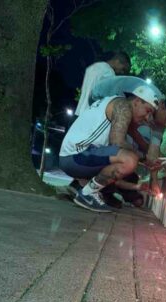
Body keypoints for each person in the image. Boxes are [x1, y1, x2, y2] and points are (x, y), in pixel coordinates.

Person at [58, 85, 159, 213]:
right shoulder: (123, 106)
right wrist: (143, 159)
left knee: (127, 161)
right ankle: (87, 194)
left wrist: (149, 158)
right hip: (75, 155)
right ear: (137, 101)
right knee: (129, 160)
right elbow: (117, 142)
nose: (147, 117)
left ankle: (84, 190)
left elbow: (139, 140)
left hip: (75, 156)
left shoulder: (121, 107)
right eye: (148, 111)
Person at [74, 52, 131, 117]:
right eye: (123, 69)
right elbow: (115, 94)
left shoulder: (93, 67)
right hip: (91, 113)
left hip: (80, 111)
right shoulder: (109, 72)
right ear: (117, 61)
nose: (122, 72)